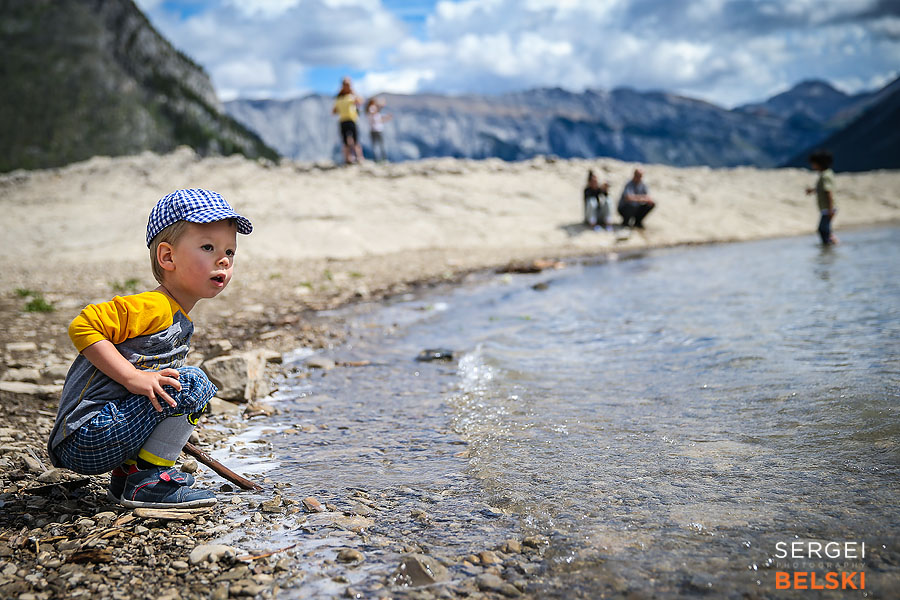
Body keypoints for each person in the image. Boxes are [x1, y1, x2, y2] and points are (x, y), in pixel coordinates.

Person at [47, 188, 252, 509]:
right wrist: (132, 377)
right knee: (192, 382)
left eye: (230, 251)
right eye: (208, 247)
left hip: (109, 433)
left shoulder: (179, 319)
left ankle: (128, 479)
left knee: (175, 383)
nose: (223, 259)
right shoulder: (153, 305)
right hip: (86, 434)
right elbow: (82, 325)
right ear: (167, 257)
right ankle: (148, 481)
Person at [806, 150, 838, 245]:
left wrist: (830, 209)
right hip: (827, 208)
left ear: (820, 164)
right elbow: (822, 189)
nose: (812, 166)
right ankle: (830, 243)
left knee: (823, 229)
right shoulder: (826, 174)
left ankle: (829, 245)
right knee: (825, 228)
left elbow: (829, 192)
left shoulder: (825, 176)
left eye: (813, 163)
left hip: (828, 208)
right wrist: (812, 190)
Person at [333, 77, 364, 164]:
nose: (348, 86)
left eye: (349, 84)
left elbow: (360, 102)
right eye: (346, 84)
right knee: (345, 141)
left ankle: (359, 158)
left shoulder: (352, 96)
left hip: (352, 120)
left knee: (355, 140)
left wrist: (353, 93)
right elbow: (334, 111)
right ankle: (347, 160)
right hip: (343, 121)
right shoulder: (339, 98)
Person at [366, 96, 392, 162]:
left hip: (378, 129)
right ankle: (378, 159)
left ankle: (383, 159)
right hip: (374, 130)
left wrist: (387, 118)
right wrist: (380, 106)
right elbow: (372, 112)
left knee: (380, 145)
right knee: (377, 145)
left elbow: (380, 120)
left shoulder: (376, 112)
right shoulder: (371, 108)